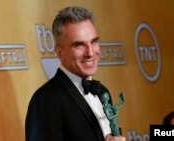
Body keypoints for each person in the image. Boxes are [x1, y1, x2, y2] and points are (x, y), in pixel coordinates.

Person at [25, 6, 126, 141]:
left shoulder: (102, 92)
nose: (90, 53)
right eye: (79, 45)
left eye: (94, 42)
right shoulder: (46, 100)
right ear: (60, 52)